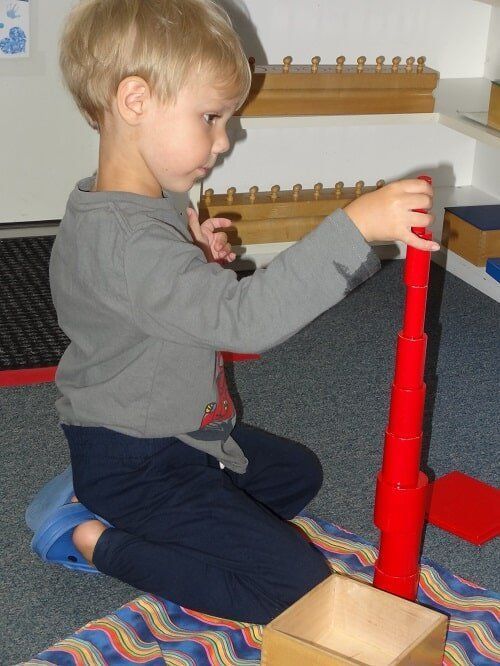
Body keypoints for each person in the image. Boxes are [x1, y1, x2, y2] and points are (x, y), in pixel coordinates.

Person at [28, 0, 437, 625]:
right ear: (135, 101)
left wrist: (197, 264)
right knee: (299, 586)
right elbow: (245, 321)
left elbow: (145, 301)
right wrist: (354, 229)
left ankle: (115, 503)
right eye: (211, 118)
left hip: (184, 435)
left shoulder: (130, 204)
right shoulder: (128, 241)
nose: (224, 141)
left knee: (296, 476)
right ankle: (95, 538)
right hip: (135, 459)